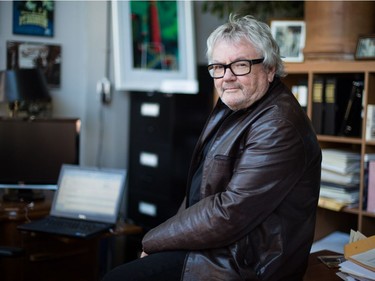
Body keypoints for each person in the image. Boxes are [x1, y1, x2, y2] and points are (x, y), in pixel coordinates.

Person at [103, 14, 321, 281]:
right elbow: (199, 191)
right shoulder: (236, 106)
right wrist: (165, 241)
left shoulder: (279, 125)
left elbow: (230, 212)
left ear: (269, 69)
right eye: (218, 66)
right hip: (220, 246)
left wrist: (153, 240)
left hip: (246, 263)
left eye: (240, 65)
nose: (226, 77)